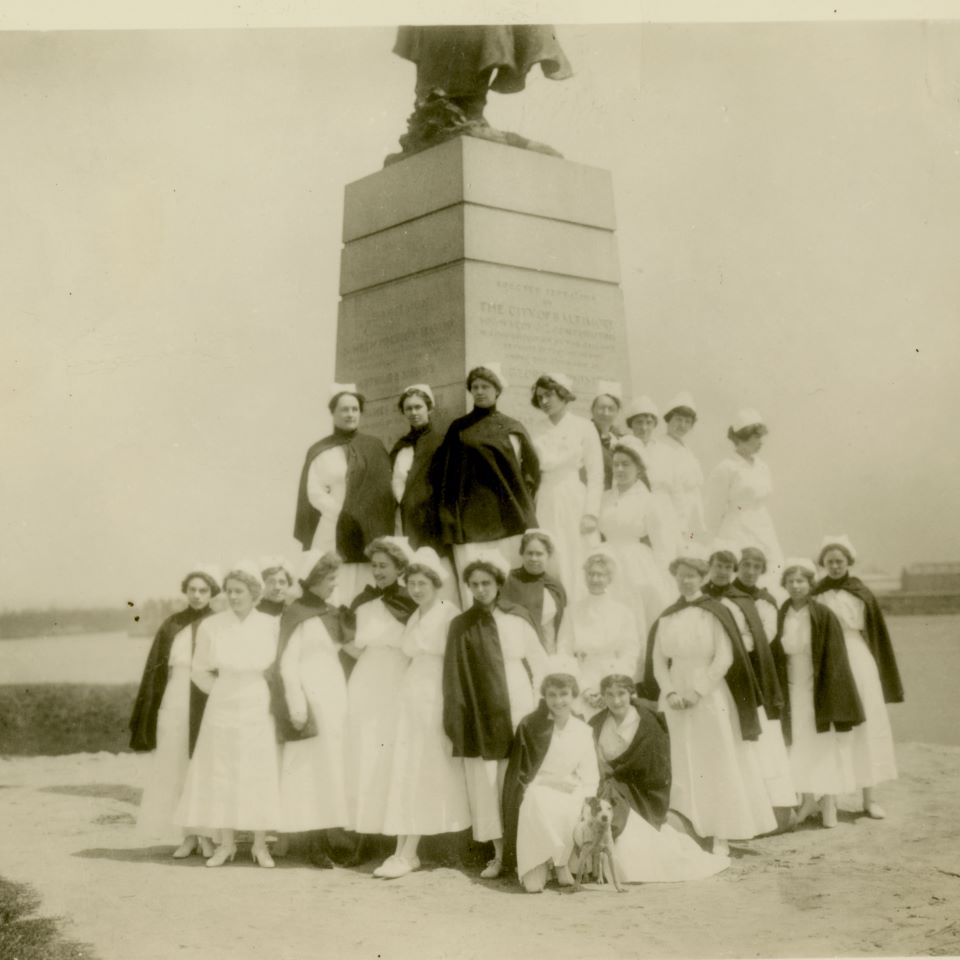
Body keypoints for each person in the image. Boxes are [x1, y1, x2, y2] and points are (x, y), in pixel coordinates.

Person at [642, 547, 777, 855]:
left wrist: (697, 691)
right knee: (678, 759)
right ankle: (684, 829)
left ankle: (720, 832)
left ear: (702, 578)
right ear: (674, 579)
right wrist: (671, 692)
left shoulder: (716, 611)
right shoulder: (667, 617)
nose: (686, 582)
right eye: (681, 577)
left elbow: (724, 657)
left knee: (714, 759)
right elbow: (659, 661)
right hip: (674, 696)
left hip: (709, 695)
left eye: (692, 576)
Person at [443, 550, 549, 879]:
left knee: (517, 781)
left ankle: (528, 853)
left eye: (486, 583)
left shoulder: (517, 617)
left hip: (518, 704)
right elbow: (454, 676)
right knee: (487, 785)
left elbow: (540, 664)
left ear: (498, 583)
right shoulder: (461, 625)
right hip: (481, 709)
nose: (480, 589)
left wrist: (535, 709)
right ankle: (499, 855)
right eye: (473, 584)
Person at [175, 564, 282, 868]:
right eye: (230, 591)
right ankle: (226, 844)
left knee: (257, 770)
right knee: (221, 770)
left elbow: (275, 669)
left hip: (256, 700)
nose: (233, 596)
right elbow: (198, 670)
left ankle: (260, 846)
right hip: (222, 702)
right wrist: (221, 691)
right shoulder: (211, 626)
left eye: (240, 591)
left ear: (254, 593)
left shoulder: (270, 624)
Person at [378, 547, 472, 878]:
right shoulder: (416, 615)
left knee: (422, 766)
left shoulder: (448, 613)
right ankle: (402, 849)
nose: (416, 590)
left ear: (435, 583)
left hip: (435, 693)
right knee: (406, 765)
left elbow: (457, 661)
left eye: (422, 583)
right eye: (412, 583)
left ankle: (409, 850)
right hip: (411, 692)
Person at [589, 675, 730, 882]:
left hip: (638, 792)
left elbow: (657, 771)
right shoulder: (597, 723)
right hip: (605, 788)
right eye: (609, 695)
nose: (616, 701)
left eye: (621, 694)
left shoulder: (647, 723)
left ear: (631, 694)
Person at [130, 564, 221, 857]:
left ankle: (206, 834)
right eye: (192, 590)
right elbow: (156, 672)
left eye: (203, 590)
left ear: (212, 593)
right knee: (177, 765)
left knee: (204, 766)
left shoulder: (219, 624)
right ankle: (188, 835)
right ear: (185, 591)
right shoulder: (172, 625)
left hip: (207, 699)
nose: (197, 595)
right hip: (177, 699)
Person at [431, 363, 540, 605]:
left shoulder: (512, 427)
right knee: (476, 591)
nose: (480, 391)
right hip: (470, 524)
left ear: (497, 391)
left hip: (508, 519)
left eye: (486, 386)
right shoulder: (458, 429)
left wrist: (525, 506)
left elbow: (530, 473)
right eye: (475, 387)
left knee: (508, 589)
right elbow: (445, 477)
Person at [811, 535, 904, 819]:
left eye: (840, 561)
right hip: (829, 660)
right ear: (823, 564)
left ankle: (869, 798)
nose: (835, 566)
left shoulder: (860, 592)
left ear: (849, 563)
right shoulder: (817, 593)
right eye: (830, 562)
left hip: (858, 657)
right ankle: (830, 799)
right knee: (832, 728)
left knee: (867, 724)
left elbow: (876, 635)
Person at [702, 546, 796, 824]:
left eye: (757, 567)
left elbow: (763, 636)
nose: (750, 571)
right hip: (717, 673)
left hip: (751, 673)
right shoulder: (709, 595)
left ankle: (775, 808)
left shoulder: (760, 601)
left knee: (762, 737)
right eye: (745, 565)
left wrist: (726, 648)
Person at [770, 559, 864, 829]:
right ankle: (808, 798)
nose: (796, 586)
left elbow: (836, 659)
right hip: (792, 687)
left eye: (801, 581)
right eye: (791, 581)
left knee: (823, 746)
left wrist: (832, 696)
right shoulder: (783, 613)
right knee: (798, 745)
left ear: (810, 584)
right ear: (784, 585)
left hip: (818, 688)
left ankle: (829, 803)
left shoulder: (823, 614)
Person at [275, 551, 351, 867]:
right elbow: (287, 664)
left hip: (334, 696)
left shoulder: (331, 612)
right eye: (331, 579)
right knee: (311, 770)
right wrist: (297, 705)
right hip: (310, 697)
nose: (335, 585)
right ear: (317, 579)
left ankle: (332, 837)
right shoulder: (296, 613)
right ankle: (313, 843)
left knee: (333, 767)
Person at [343, 537, 417, 848]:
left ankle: (390, 832)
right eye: (374, 566)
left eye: (384, 566)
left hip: (398, 679)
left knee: (389, 752)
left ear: (400, 568)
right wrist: (371, 661)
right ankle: (361, 832)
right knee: (362, 750)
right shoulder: (361, 601)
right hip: (366, 679)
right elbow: (347, 642)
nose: (377, 571)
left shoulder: (410, 601)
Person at [293, 383, 395, 603]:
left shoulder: (374, 446)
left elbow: (385, 491)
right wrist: (342, 513)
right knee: (335, 586)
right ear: (333, 413)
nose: (350, 414)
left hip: (367, 530)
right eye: (344, 409)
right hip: (333, 527)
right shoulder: (321, 450)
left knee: (363, 586)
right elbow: (314, 491)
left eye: (355, 409)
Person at [501, 665, 599, 893]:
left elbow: (590, 775)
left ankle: (562, 861)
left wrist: (587, 801)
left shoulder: (583, 730)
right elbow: (522, 772)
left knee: (570, 804)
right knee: (533, 887)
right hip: (539, 786)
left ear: (573, 695)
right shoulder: (531, 725)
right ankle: (544, 861)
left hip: (571, 788)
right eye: (552, 695)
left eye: (564, 694)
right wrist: (542, 784)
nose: (558, 701)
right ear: (544, 697)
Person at [530, 372, 604, 596]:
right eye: (540, 396)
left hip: (573, 499)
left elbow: (596, 473)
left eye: (549, 395)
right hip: (545, 499)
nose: (544, 401)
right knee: (551, 555)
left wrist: (591, 512)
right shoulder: (535, 429)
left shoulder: (584, 427)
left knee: (575, 554)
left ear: (564, 395)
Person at [598, 436, 672, 631]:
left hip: (635, 563)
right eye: (616, 464)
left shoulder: (649, 500)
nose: (620, 469)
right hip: (604, 557)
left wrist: (664, 578)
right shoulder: (604, 498)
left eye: (626, 464)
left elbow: (662, 544)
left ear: (639, 469)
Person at [704, 410, 784, 586]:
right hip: (737, 527)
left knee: (770, 570)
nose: (760, 442)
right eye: (756, 437)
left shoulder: (762, 467)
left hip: (763, 525)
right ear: (742, 437)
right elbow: (713, 510)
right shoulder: (726, 467)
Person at [556, 551, 640, 718]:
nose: (595, 579)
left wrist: (613, 688)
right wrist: (582, 688)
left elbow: (631, 652)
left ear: (609, 578)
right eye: (591, 574)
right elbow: (563, 650)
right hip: (582, 677)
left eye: (600, 575)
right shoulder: (572, 611)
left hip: (615, 679)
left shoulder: (623, 612)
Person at [389, 383, 444, 550]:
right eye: (408, 409)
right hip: (403, 519)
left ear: (429, 408)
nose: (413, 413)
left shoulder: (441, 442)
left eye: (418, 407)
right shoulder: (401, 445)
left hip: (430, 522)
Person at [501, 529, 567, 653]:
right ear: (522, 554)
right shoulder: (509, 581)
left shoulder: (555, 586)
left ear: (548, 555)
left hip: (549, 649)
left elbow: (562, 626)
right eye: (529, 553)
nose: (533, 558)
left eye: (539, 554)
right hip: (519, 649)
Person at [658, 392, 705, 548]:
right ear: (668, 419)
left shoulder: (687, 451)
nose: (682, 425)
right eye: (678, 419)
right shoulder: (659, 446)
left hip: (691, 515)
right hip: (671, 512)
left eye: (687, 421)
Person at [589, 380, 624, 490]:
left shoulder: (621, 441)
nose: (605, 413)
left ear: (617, 412)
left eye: (611, 409)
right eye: (601, 408)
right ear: (592, 410)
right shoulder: (582, 435)